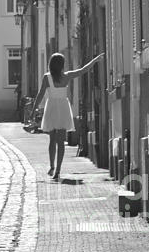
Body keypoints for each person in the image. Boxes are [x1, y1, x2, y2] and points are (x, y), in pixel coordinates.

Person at [31, 51, 104, 180]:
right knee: (60, 141)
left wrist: (33, 109)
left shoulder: (46, 77)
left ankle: (52, 166)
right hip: (63, 108)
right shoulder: (67, 76)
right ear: (62, 65)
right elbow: (82, 70)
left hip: (52, 108)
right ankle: (58, 169)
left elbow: (40, 94)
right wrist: (95, 60)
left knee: (52, 140)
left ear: (51, 65)